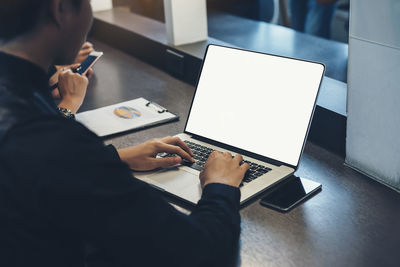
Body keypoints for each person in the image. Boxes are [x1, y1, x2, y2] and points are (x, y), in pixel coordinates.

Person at [0, 1, 250, 267]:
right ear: (59, 9)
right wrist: (221, 187)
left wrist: (115, 158)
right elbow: (201, 253)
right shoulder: (53, 140)